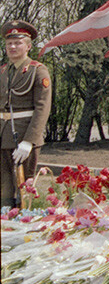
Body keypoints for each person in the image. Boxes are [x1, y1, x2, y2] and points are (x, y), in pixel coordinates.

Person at [1, 20, 51, 209]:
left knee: (25, 185)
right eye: (9, 43)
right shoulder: (4, 71)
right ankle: (6, 221)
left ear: (28, 46)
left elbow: (42, 108)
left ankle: (25, 221)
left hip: (24, 136)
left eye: (18, 43)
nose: (12, 47)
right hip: (3, 135)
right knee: (4, 185)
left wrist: (29, 140)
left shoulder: (37, 71)